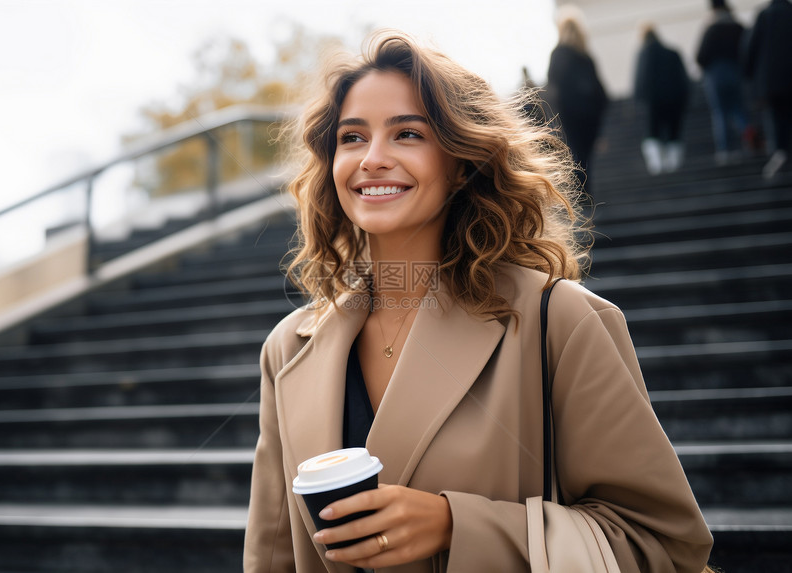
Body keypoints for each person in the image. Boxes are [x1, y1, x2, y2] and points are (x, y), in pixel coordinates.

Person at [244, 31, 713, 572]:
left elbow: (663, 543)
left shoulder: (559, 319)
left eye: (408, 134)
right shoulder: (287, 348)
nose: (372, 159)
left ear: (461, 163)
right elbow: (272, 556)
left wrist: (456, 526)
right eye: (352, 137)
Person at [545, 9, 607, 197]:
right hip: (590, 115)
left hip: (569, 115)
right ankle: (585, 189)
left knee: (575, 153)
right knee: (585, 154)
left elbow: (552, 88)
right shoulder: (585, 57)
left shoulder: (558, 55)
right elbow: (600, 90)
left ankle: (581, 193)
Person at [696, 0, 753, 164]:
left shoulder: (711, 28)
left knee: (720, 113)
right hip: (736, 73)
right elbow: (747, 51)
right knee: (739, 110)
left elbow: (700, 56)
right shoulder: (738, 27)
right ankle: (750, 142)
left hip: (716, 75)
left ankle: (725, 150)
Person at [743, 0, 792, 179]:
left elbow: (750, 47)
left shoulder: (764, 15)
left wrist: (749, 74)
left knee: (776, 118)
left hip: (771, 82)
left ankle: (780, 152)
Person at [634, 24, 690, 175]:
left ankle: (657, 165)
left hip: (653, 102)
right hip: (674, 99)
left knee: (652, 133)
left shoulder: (645, 53)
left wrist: (639, 99)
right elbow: (683, 78)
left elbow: (641, 78)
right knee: (673, 133)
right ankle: (674, 165)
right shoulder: (672, 53)